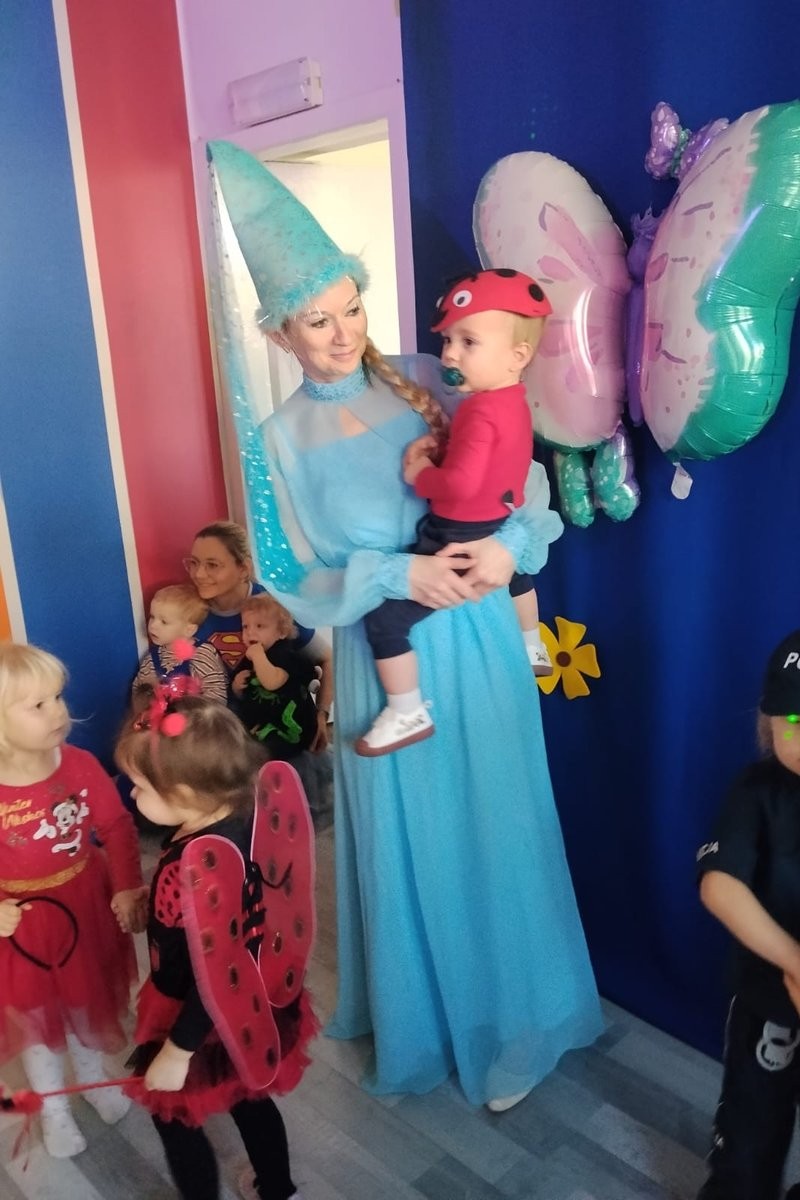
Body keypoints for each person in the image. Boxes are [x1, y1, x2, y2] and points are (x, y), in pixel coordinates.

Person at [208, 138, 602, 1112]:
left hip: (474, 637)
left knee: (497, 824)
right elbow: (290, 575)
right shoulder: (276, 441)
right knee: (410, 836)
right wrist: (396, 571)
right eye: (317, 321)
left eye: (350, 308)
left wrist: (514, 547)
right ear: (279, 333)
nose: (343, 334)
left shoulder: (429, 371)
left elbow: (515, 478)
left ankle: (517, 1023)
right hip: (381, 658)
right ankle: (427, 1016)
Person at [116, 694, 316, 1200]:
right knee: (250, 1095)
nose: (132, 794)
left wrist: (177, 1051)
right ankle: (278, 1189)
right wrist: (153, 899)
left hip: (193, 1014)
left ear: (184, 792)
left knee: (174, 1117)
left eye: (140, 786)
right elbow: (225, 914)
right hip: (257, 1000)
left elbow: (220, 966)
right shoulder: (239, 817)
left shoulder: (198, 873)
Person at [357, 267, 555, 756]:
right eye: (448, 340)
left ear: (518, 356)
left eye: (468, 342)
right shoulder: (513, 402)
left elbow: (461, 484)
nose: (449, 354)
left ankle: (406, 709)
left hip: (456, 533)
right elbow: (499, 468)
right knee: (519, 575)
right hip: (497, 519)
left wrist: (421, 474)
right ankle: (532, 643)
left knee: (385, 623)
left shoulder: (478, 410)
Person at [0, 642, 146, 1157]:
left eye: (58, 697)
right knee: (38, 1021)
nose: (58, 711)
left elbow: (117, 826)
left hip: (86, 905)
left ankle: (91, 1082)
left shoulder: (80, 764)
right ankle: (54, 1110)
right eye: (38, 705)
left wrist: (127, 885)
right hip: (22, 927)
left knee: (89, 1002)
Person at [696, 630, 800, 1200]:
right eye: (796, 721)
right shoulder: (756, 790)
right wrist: (794, 962)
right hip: (767, 1002)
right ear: (769, 722)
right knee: (749, 1133)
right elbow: (719, 886)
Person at [185, 520, 332, 751]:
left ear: (244, 568)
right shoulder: (189, 614)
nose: (199, 574)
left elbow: (327, 659)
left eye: (212, 565)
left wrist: (322, 715)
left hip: (281, 734)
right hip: (224, 739)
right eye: (194, 563)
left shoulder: (271, 606)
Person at [232, 593, 320, 761]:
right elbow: (242, 692)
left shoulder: (284, 655)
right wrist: (237, 685)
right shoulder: (251, 656)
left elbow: (272, 682)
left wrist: (258, 656)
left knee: (263, 752)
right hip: (263, 723)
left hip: (289, 729)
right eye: (245, 626)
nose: (250, 632)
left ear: (281, 632)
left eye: (260, 626)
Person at [131, 583, 227, 709]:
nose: (153, 625)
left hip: (198, 718)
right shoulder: (151, 659)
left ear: (189, 630)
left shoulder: (201, 653)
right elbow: (138, 692)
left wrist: (193, 716)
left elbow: (217, 697)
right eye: (152, 617)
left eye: (164, 622)